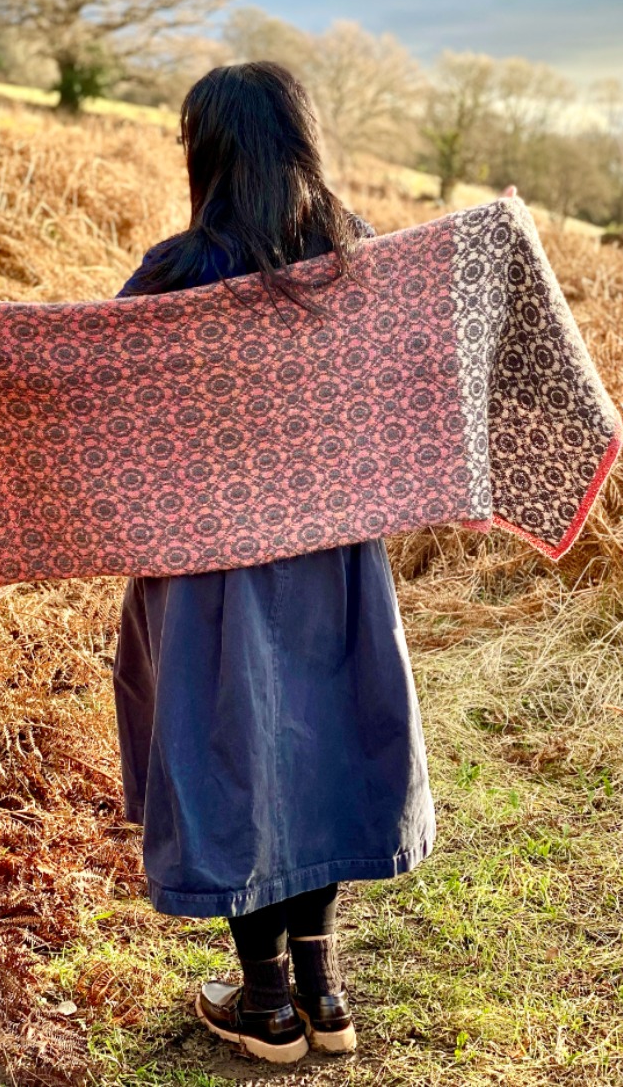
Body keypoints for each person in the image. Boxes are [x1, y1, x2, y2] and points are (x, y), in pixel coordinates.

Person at [111, 61, 436, 1064]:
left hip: (206, 573)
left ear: (203, 153)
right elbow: (417, 377)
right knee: (322, 746)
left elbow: (99, 413)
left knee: (232, 760)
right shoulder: (363, 263)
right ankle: (322, 992)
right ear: (303, 143)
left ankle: (263, 1002)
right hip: (333, 562)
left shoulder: (170, 278)